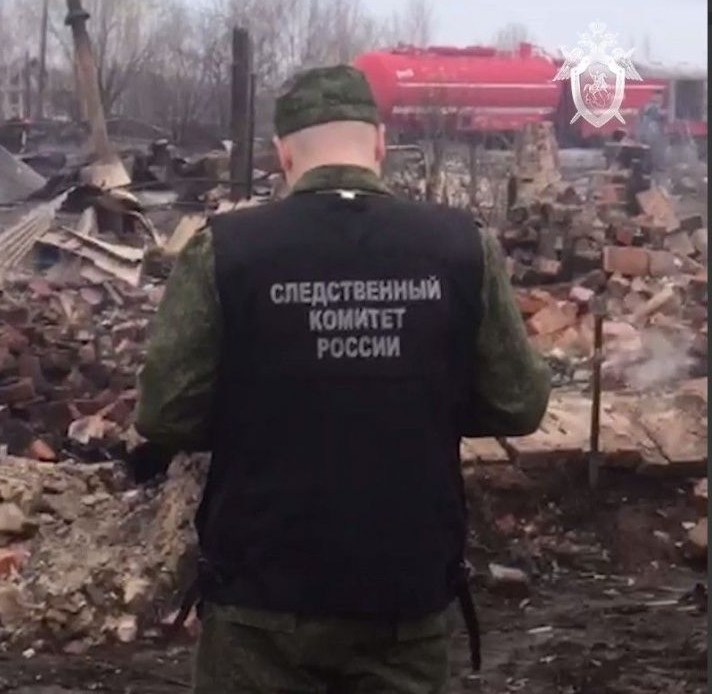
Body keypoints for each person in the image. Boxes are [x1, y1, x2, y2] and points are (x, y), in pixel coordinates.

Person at [133, 65, 551, 693]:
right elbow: (519, 405)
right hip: (405, 595)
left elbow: (165, 414)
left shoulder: (226, 249)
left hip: (260, 595)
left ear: (282, 154)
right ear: (380, 144)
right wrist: (424, 395)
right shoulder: (461, 247)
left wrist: (260, 401)